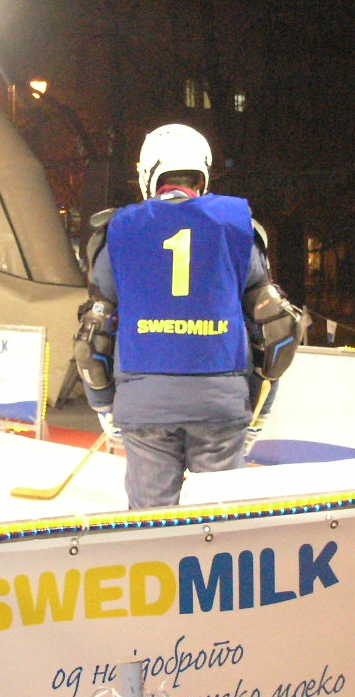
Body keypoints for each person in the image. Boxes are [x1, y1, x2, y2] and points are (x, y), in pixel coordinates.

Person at [75, 123, 306, 510]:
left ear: (148, 173)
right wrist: (259, 410)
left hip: (145, 404)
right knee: (219, 525)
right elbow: (275, 326)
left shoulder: (118, 231)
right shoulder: (237, 227)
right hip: (221, 403)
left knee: (154, 527)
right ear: (203, 172)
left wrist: (104, 405)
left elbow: (96, 331)